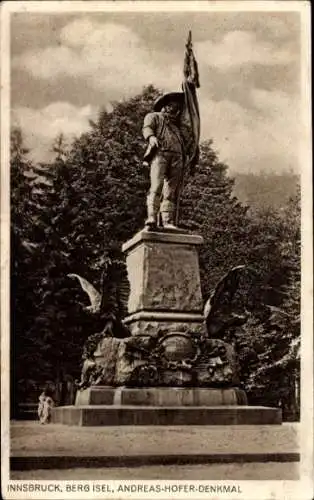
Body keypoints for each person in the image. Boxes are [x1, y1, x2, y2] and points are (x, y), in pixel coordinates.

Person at [142, 92, 190, 230]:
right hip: (160, 154)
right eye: (172, 104)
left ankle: (167, 220)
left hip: (177, 158)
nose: (175, 107)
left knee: (170, 192)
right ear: (166, 105)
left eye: (177, 105)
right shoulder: (154, 117)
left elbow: (188, 142)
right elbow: (147, 127)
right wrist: (151, 137)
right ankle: (152, 216)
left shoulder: (179, 126)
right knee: (156, 187)